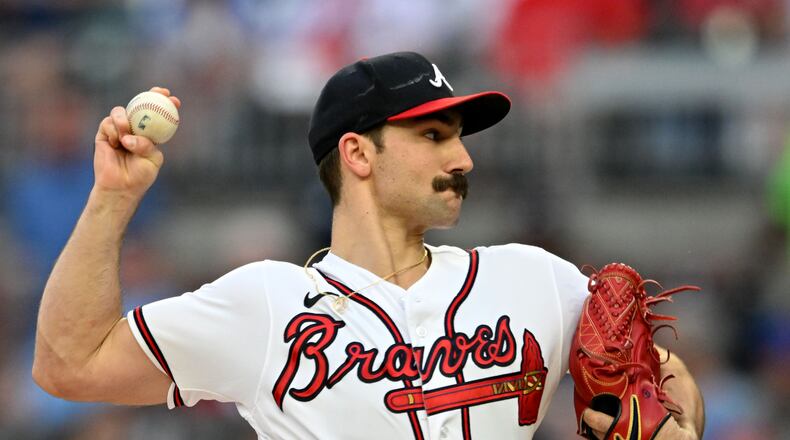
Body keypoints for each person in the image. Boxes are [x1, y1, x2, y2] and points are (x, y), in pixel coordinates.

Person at [32, 52, 704, 439]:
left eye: (461, 137)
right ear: (357, 153)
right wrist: (112, 200)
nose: (464, 158)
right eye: (435, 137)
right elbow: (69, 364)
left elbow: (660, 371)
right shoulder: (266, 306)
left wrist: (675, 422)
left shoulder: (532, 280)